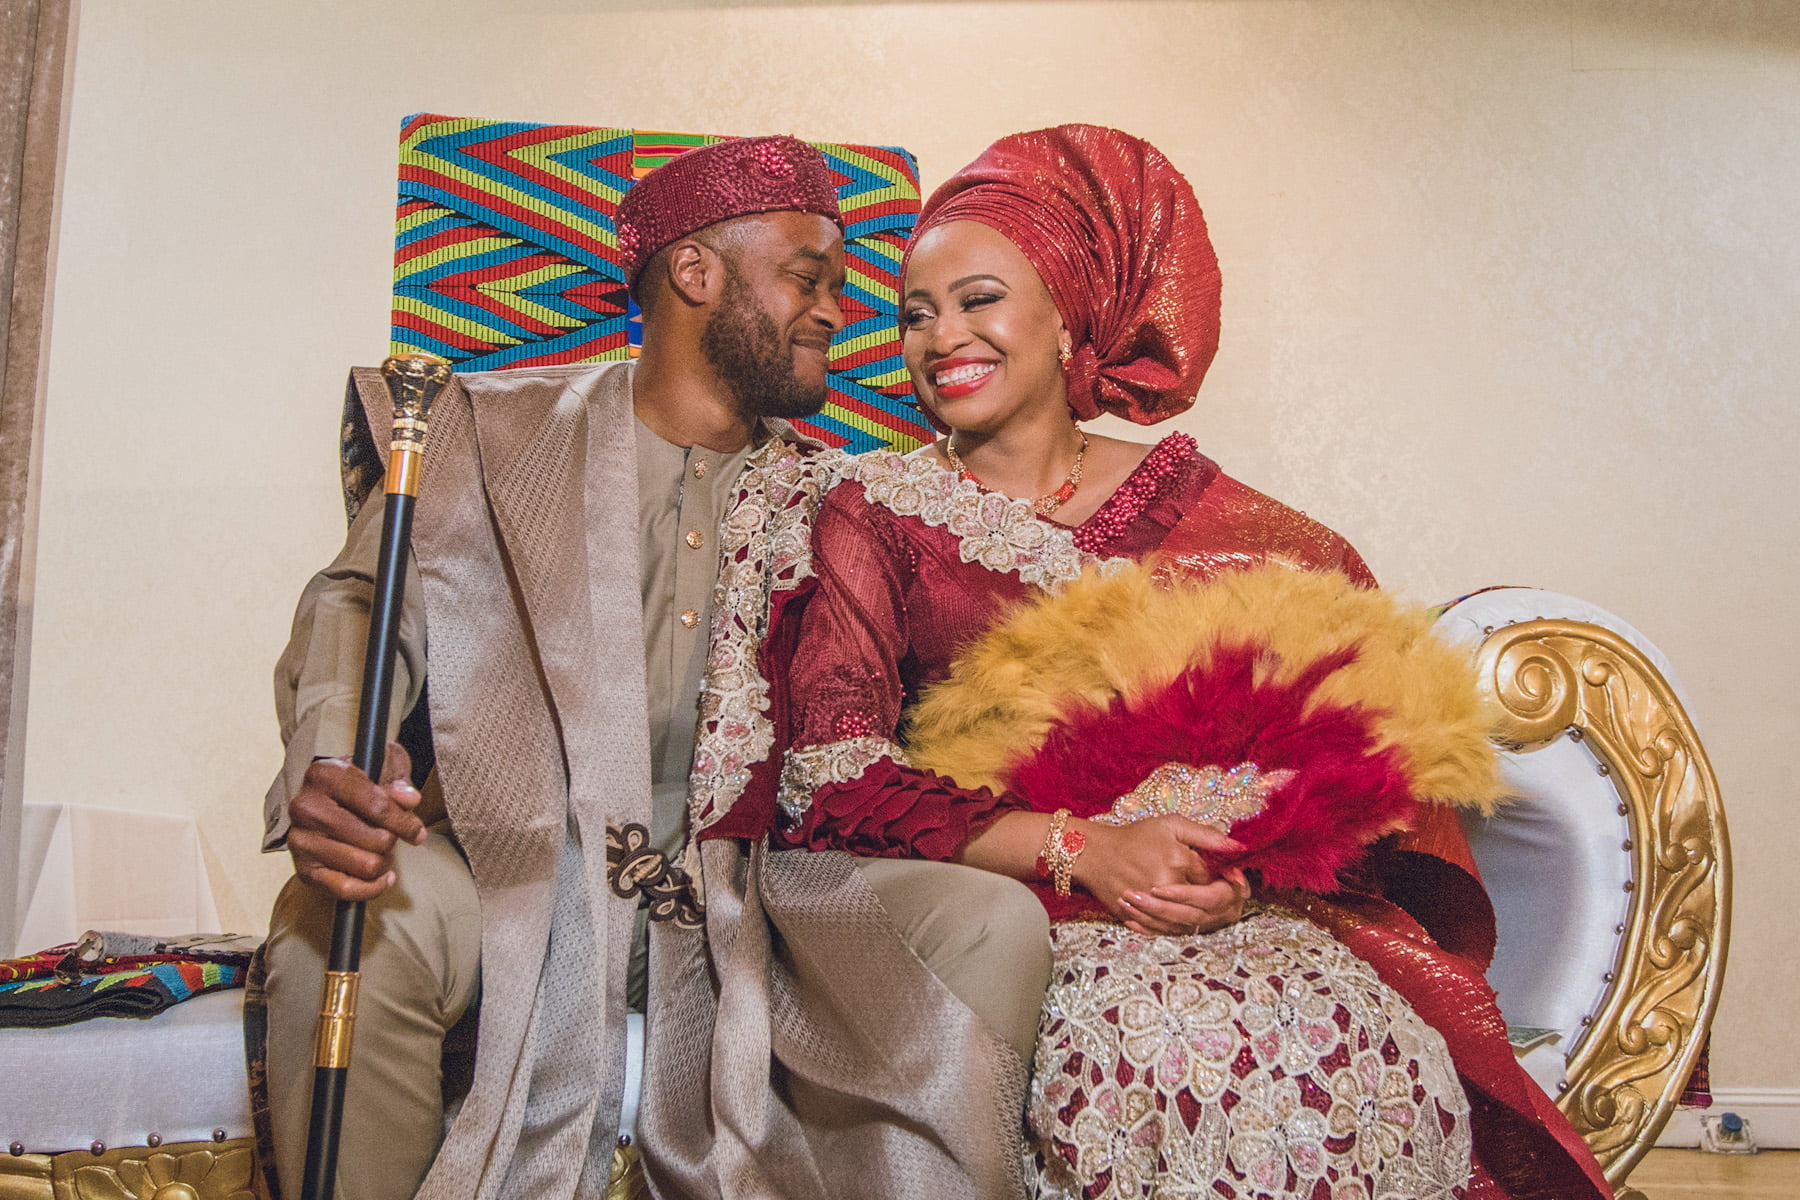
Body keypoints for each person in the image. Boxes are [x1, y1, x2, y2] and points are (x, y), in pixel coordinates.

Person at [732, 125, 1614, 1199]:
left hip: (1231, 911)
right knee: (1170, 1059)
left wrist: (1244, 858)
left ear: (1069, 317)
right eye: (916, 314)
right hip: (1016, 905)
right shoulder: (872, 511)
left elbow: (1348, 722)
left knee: (1358, 1060)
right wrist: (1085, 848)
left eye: (978, 300)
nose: (940, 335)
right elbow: (833, 775)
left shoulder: (1210, 511)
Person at [258, 134, 1053, 1200]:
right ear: (696, 272)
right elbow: (360, 603)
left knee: (990, 925)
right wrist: (333, 760)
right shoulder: (489, 433)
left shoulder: (842, 498)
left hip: (757, 894)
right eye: (808, 278)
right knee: (340, 924)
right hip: (517, 861)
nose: (837, 312)